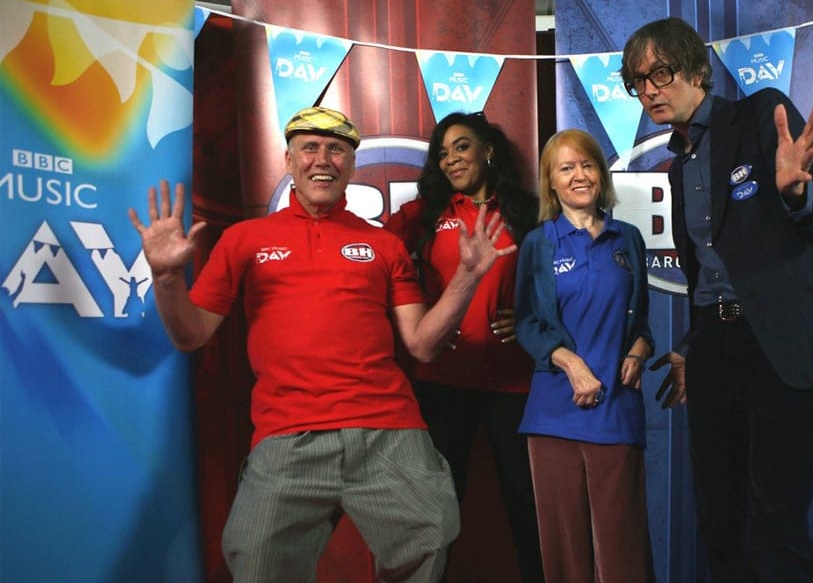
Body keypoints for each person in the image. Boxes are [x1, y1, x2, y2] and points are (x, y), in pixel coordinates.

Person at [128, 106, 518, 583]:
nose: (323, 160)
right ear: (288, 160)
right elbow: (191, 334)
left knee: (430, 536)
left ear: (351, 165)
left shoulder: (384, 244)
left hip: (387, 428)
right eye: (309, 148)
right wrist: (167, 278)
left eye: (336, 150)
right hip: (289, 432)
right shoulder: (245, 239)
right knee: (257, 563)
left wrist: (467, 278)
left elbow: (420, 343)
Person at [620, 18, 813, 582]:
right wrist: (694, 343)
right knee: (721, 526)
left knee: (775, 532)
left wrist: (797, 195)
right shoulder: (677, 167)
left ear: (697, 70)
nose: (649, 90)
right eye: (638, 82)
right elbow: (711, 271)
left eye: (661, 72)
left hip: (777, 345)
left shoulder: (760, 116)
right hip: (715, 350)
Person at [384, 111, 544, 582]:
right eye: (442, 152)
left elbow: (561, 281)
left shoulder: (525, 212)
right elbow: (375, 263)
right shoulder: (425, 213)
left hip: (512, 383)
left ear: (487, 150)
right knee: (436, 506)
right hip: (443, 380)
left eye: (461, 146)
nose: (451, 159)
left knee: (525, 505)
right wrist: (427, 320)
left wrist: (529, 318)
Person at [514, 129, 655, 583]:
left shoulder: (628, 239)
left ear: (601, 173)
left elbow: (641, 324)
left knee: (622, 549)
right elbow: (526, 322)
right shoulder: (539, 243)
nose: (579, 175)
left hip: (616, 410)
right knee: (564, 551)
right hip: (553, 413)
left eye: (587, 165)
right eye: (566, 168)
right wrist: (572, 364)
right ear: (551, 182)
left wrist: (640, 349)